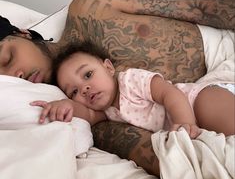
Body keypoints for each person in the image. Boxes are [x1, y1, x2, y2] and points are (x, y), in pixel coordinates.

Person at [0, 0, 234, 176]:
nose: (15, 74)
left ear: (23, 33)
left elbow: (197, 9)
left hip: (222, 51)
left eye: (7, 58)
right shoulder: (87, 105)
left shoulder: (89, 7)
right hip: (198, 110)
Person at [31, 40, 235, 139]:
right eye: (73, 92)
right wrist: (65, 106)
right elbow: (88, 115)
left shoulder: (130, 80)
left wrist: (185, 121)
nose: (84, 88)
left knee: (215, 116)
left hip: (195, 100)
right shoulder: (107, 112)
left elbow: (169, 93)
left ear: (108, 67)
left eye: (88, 75)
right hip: (185, 126)